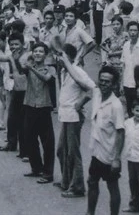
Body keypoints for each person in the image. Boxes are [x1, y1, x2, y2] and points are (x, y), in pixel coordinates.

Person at [54, 43, 95, 198]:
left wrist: (81, 103)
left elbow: (91, 89)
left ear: (69, 57)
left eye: (61, 56)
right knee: (61, 150)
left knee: (73, 152)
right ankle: (66, 180)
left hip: (74, 117)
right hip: (65, 116)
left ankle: (77, 186)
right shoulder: (64, 72)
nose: (58, 59)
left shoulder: (77, 71)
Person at [86, 66, 125, 215]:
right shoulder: (97, 94)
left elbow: (121, 133)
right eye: (101, 80)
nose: (103, 84)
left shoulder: (116, 106)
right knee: (92, 181)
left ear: (114, 84)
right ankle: (90, 213)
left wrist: (116, 159)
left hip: (109, 155)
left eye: (107, 82)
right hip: (97, 151)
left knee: (112, 186)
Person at [16, 42, 56, 184]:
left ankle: (48, 173)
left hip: (44, 106)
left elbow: (46, 79)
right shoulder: (29, 66)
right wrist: (27, 51)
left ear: (46, 54)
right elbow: (21, 64)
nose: (38, 53)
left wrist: (31, 68)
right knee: (30, 138)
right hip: (30, 104)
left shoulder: (50, 68)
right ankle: (36, 168)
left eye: (41, 51)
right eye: (35, 51)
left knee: (47, 141)